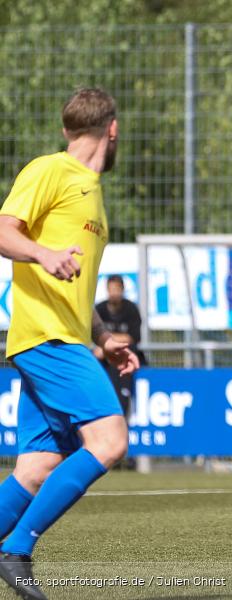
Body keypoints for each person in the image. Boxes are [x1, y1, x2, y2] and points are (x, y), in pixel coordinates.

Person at [0, 88, 138, 600]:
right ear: (113, 129)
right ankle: (16, 550)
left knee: (35, 470)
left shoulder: (94, 192)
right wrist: (42, 253)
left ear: (68, 127)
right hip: (46, 338)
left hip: (68, 338)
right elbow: (3, 229)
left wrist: (104, 339)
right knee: (109, 440)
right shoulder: (50, 171)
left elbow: (75, 292)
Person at [94, 274, 145, 417]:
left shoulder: (131, 309)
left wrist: (108, 342)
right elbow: (93, 338)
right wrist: (105, 346)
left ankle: (121, 414)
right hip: (104, 361)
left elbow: (132, 338)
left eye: (116, 289)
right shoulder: (99, 309)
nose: (113, 293)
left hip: (124, 361)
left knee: (121, 398)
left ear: (122, 289)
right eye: (111, 289)